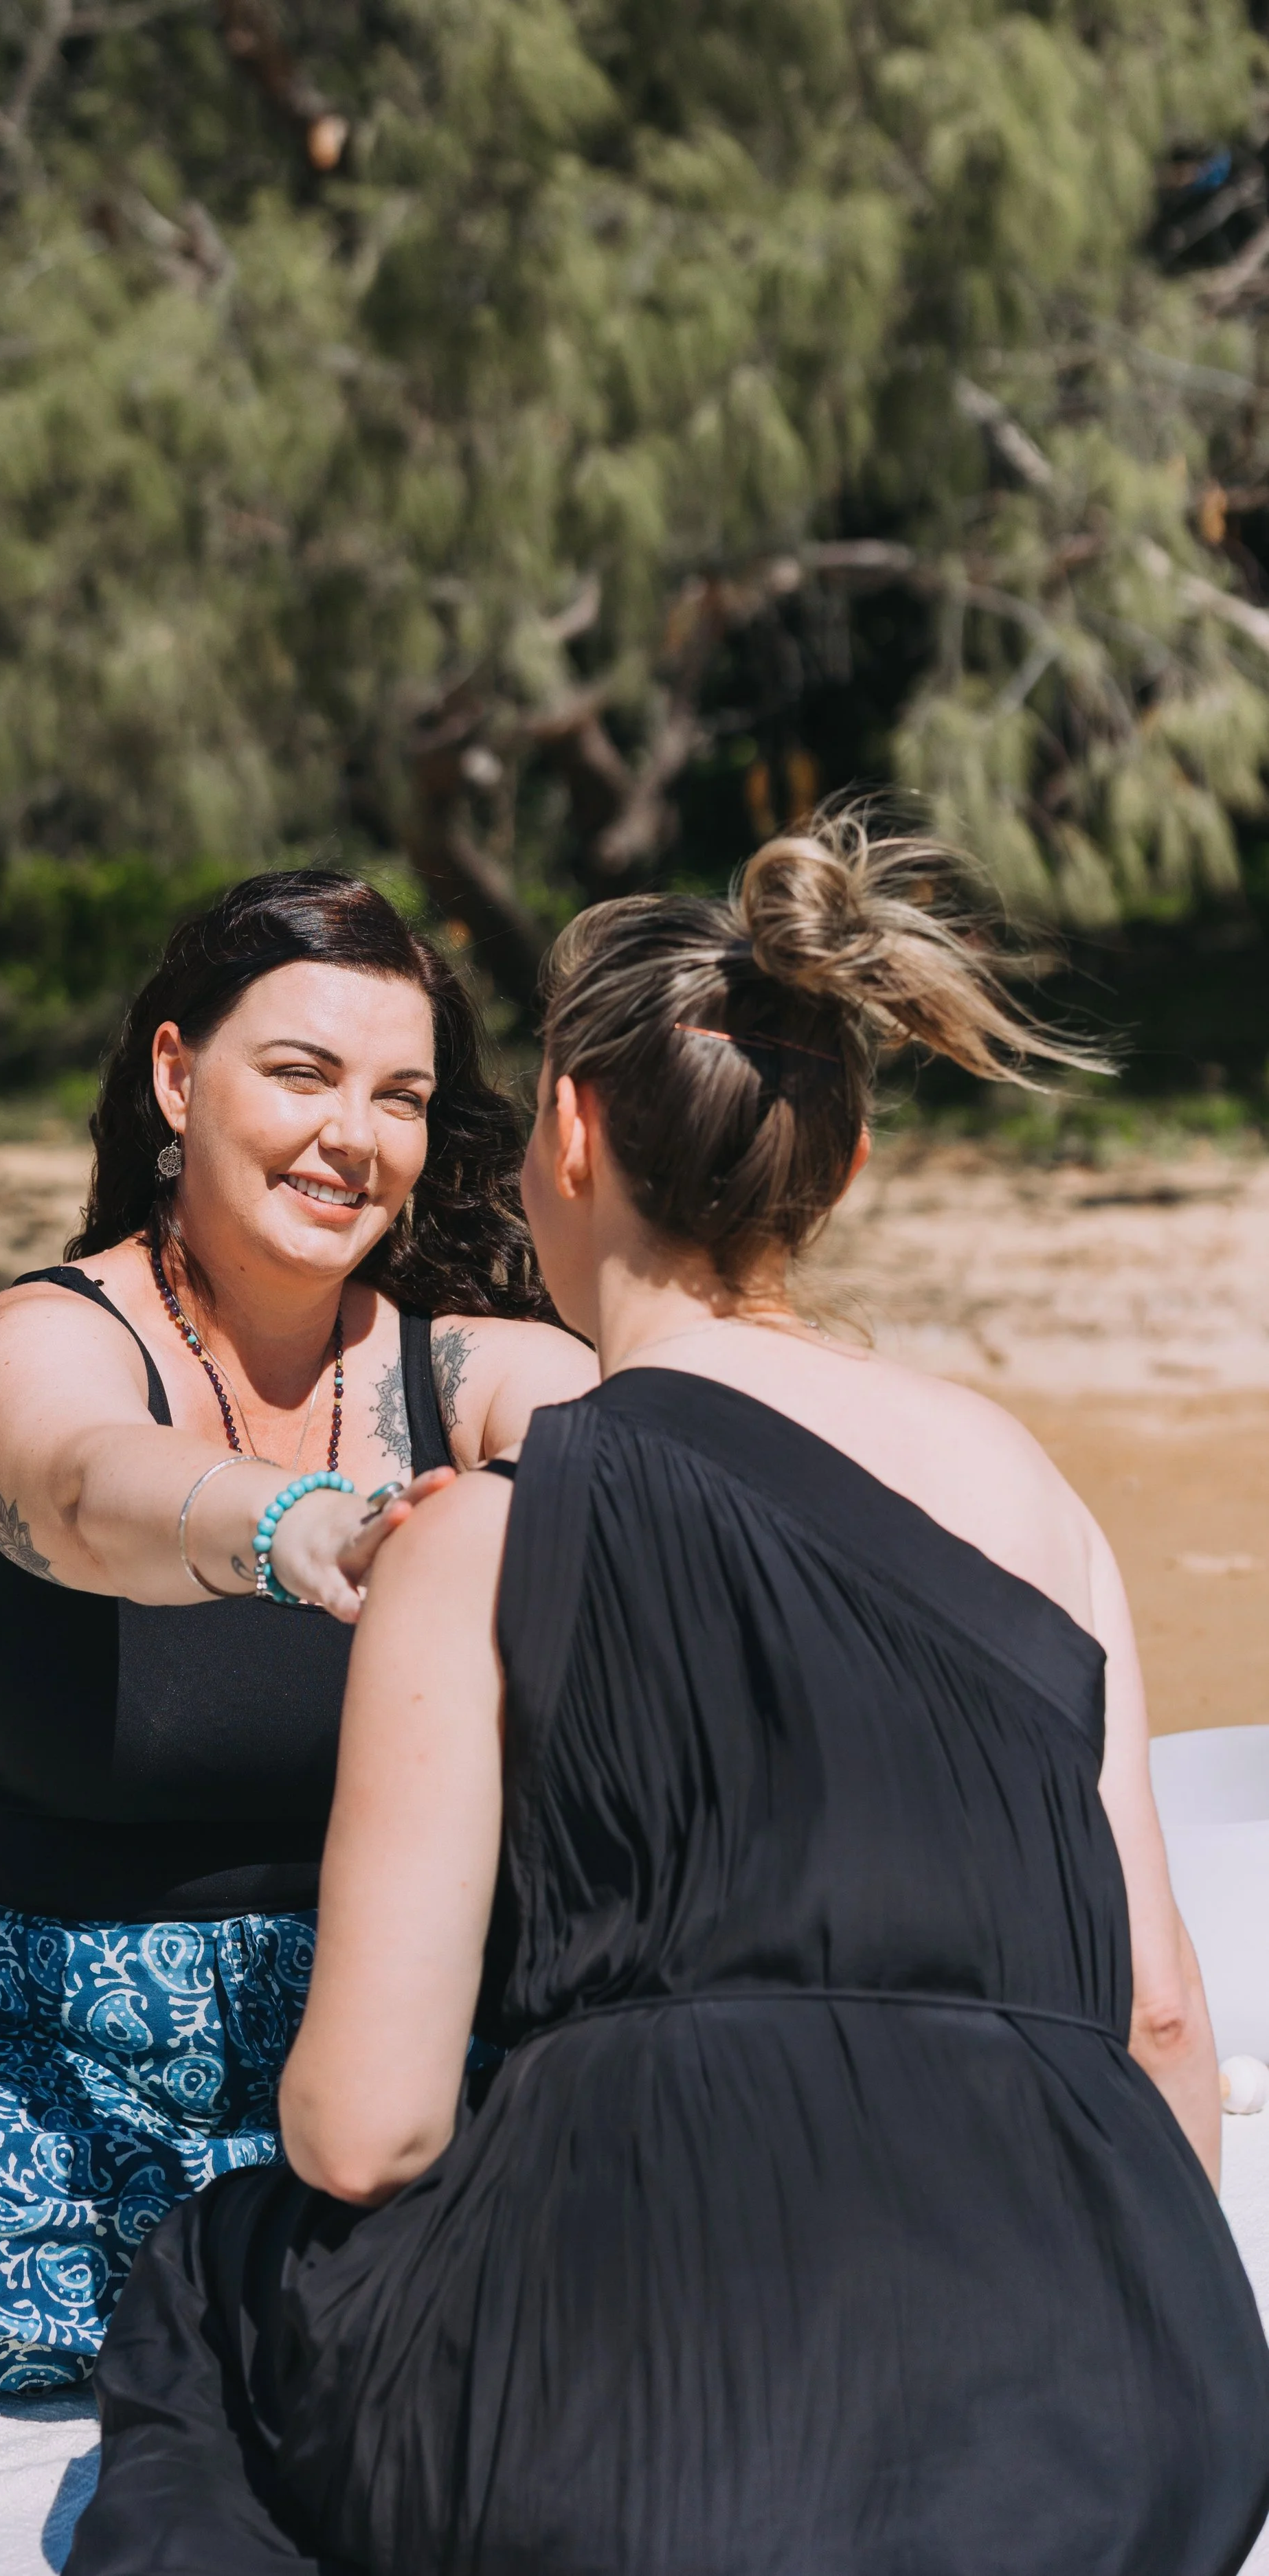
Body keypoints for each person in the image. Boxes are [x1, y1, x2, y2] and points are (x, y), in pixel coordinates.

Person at [69, 815, 1269, 2573]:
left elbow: (364, 2128)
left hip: (675, 2434)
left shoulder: (483, 1535)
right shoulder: (1027, 1490)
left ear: (563, 1128)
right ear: (843, 1163)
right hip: (1136, 2427)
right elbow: (1160, 2018)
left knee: (218, 2280)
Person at [0, 871, 595, 2393]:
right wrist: (300, 1530)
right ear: (176, 1075)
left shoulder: (477, 1365)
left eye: (400, 1097)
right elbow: (86, 1487)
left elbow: (641, 1460)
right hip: (22, 2045)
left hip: (387, 2030)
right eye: (300, 1075)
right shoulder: (40, 1345)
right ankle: (346, 2289)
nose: (352, 1138)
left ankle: (306, 2277)